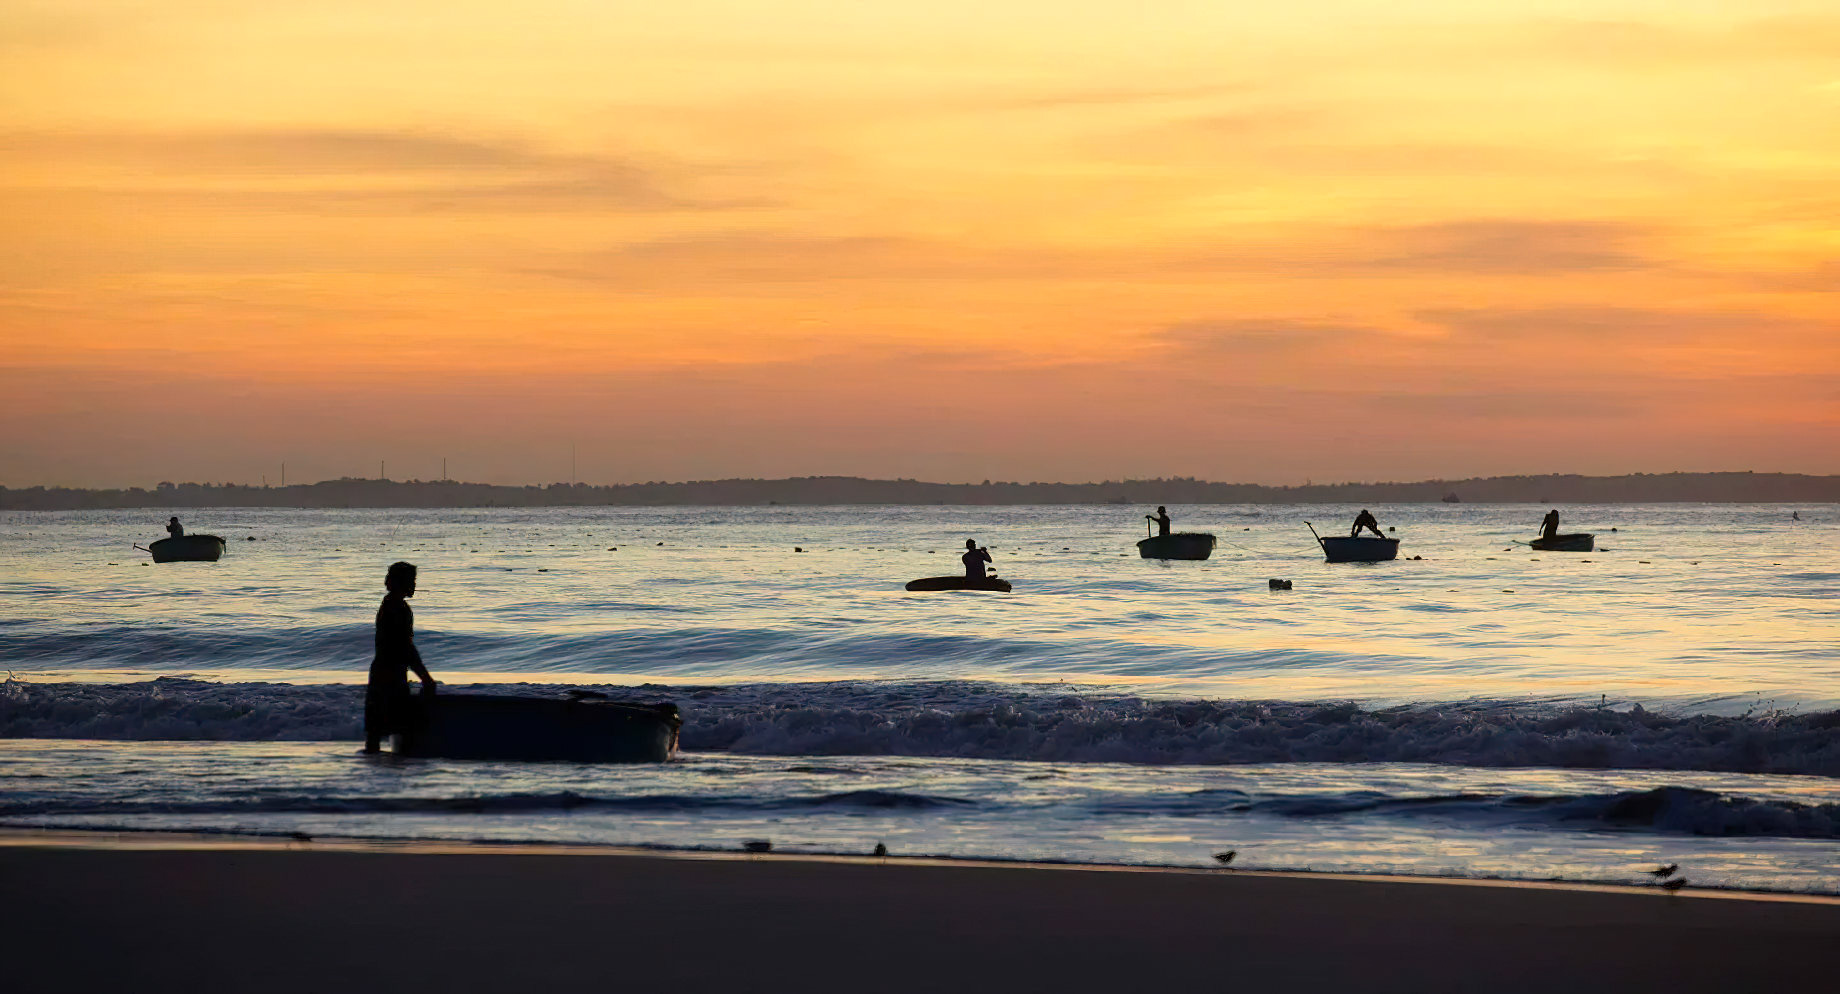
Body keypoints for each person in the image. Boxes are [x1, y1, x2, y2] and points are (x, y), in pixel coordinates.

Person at [364, 561, 436, 753]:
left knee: (376, 731)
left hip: (382, 672)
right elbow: (406, 647)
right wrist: (426, 678)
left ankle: (373, 771)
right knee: (402, 729)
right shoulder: (398, 609)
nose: (414, 585)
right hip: (391, 675)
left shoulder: (389, 604)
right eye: (412, 581)